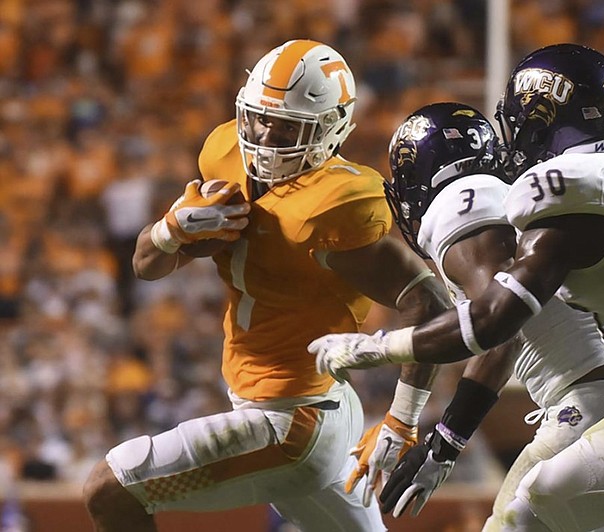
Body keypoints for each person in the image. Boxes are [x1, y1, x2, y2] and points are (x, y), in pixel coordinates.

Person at [309, 43, 604, 531]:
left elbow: (496, 320)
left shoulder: (562, 190)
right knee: (534, 506)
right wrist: (444, 441)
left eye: (523, 123)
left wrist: (375, 348)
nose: (516, 141)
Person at [82, 39, 451, 532]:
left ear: (330, 130)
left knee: (109, 488)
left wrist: (404, 417)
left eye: (285, 126)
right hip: (308, 403)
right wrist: (171, 230)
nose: (264, 136)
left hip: (293, 422)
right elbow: (145, 265)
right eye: (258, 118)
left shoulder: (336, 205)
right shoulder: (225, 154)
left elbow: (430, 303)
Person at [369, 101, 604, 532]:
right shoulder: (511, 195)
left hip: (588, 406)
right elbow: (507, 328)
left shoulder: (459, 208)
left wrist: (445, 442)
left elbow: (500, 328)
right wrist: (444, 439)